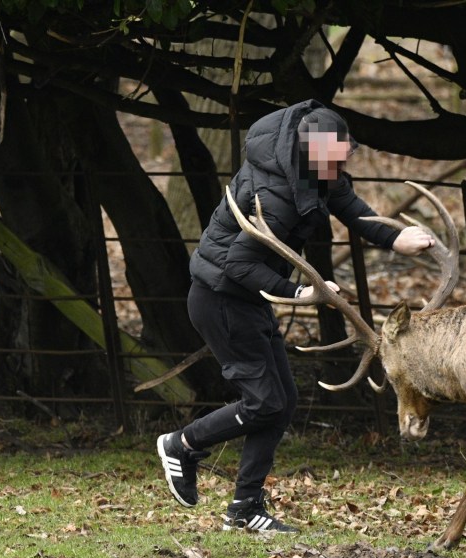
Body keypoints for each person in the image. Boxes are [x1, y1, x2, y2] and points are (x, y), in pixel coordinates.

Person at [156, 100, 434, 533]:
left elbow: (354, 209)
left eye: (345, 161)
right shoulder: (277, 195)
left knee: (281, 403)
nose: (340, 172)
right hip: (220, 299)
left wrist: (397, 239)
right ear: (311, 155)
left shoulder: (318, 172)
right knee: (264, 402)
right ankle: (182, 444)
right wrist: (301, 292)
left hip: (246, 300)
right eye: (334, 164)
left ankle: (245, 509)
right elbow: (238, 265)